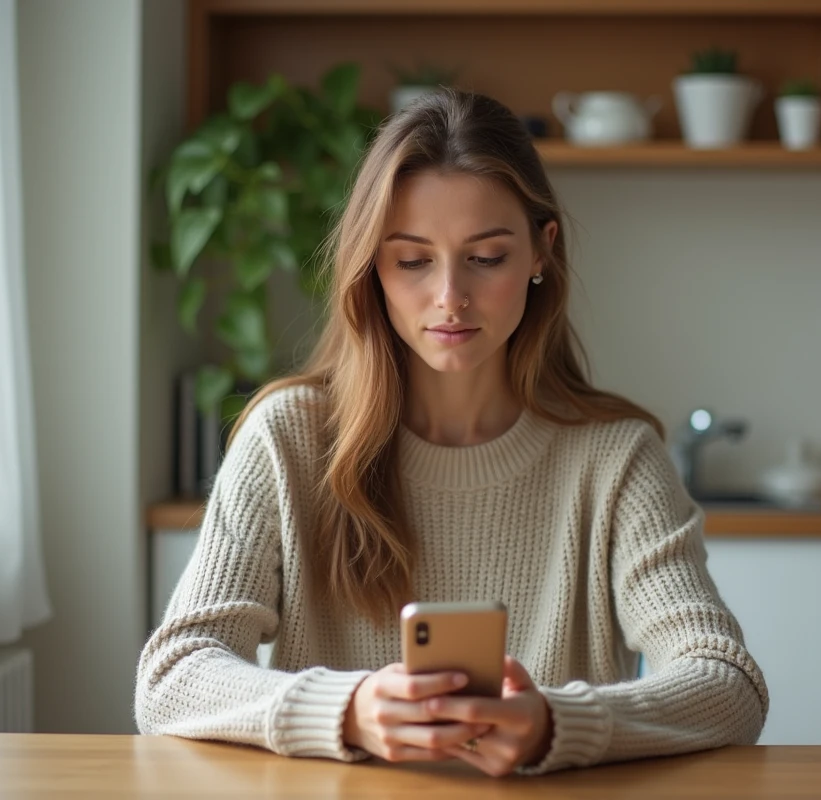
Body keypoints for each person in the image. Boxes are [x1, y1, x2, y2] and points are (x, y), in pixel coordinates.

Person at [135, 89, 768, 777]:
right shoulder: (286, 441)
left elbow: (726, 681)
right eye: (412, 261)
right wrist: (346, 709)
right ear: (372, 265)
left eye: (486, 258)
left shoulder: (616, 458)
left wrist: (560, 722)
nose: (449, 297)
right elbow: (172, 677)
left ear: (539, 252)